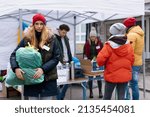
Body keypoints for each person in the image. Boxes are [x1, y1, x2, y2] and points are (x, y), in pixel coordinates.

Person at [10, 13, 61, 100]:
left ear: (44, 25)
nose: (39, 26)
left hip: (48, 78)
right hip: (31, 78)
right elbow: (14, 55)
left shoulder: (52, 38)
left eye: (41, 24)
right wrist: (16, 68)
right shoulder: (27, 39)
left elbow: (57, 57)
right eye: (36, 24)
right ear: (33, 25)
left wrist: (43, 69)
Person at [96, 23, 134, 100]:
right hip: (124, 75)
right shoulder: (129, 45)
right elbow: (132, 60)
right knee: (121, 98)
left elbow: (100, 60)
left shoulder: (108, 45)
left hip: (111, 75)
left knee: (107, 97)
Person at [123, 17, 144, 100]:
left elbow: (129, 51)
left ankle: (127, 100)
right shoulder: (139, 33)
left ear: (128, 26)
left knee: (126, 83)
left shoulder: (131, 35)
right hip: (138, 62)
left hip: (131, 63)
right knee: (134, 84)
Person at [83, 27, 103, 98]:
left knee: (98, 77)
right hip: (90, 62)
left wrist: (98, 59)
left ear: (96, 36)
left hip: (98, 62)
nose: (93, 38)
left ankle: (100, 91)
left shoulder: (100, 43)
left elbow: (102, 52)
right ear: (89, 37)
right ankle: (91, 92)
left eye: (94, 36)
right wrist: (86, 59)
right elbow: (84, 53)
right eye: (91, 36)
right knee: (90, 77)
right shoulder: (87, 44)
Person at [55, 24, 72, 100]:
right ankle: (59, 99)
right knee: (59, 82)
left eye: (66, 33)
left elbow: (68, 51)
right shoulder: (54, 38)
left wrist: (71, 60)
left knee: (68, 82)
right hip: (59, 63)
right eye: (63, 32)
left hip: (67, 62)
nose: (64, 34)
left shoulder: (66, 38)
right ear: (59, 30)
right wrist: (59, 60)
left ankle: (61, 96)